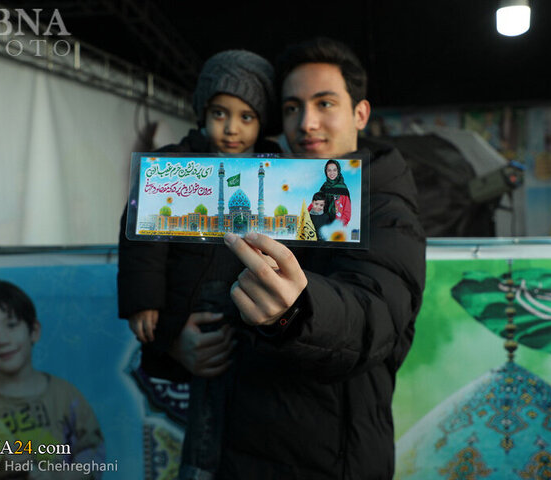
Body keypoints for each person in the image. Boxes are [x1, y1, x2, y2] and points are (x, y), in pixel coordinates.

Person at [212, 37, 426, 479]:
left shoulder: (385, 207)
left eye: (324, 103)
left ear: (359, 114)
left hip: (333, 460)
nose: (306, 123)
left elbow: (375, 319)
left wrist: (298, 312)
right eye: (292, 108)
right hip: (242, 450)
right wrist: (184, 341)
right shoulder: (265, 194)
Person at [117, 49, 279, 479]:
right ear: (202, 112)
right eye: (220, 113)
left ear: (262, 122)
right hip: (194, 321)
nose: (231, 127)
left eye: (247, 116)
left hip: (257, 328)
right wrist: (145, 303)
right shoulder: (173, 164)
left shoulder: (279, 171)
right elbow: (142, 241)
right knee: (204, 436)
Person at [0, 280, 105, 479]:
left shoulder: (65, 396)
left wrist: (57, 476)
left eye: (11, 325)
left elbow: (93, 455)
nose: (2, 340)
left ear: (34, 331)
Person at [318, 159, 351, 225]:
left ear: (338, 171)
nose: (332, 173)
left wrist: (341, 224)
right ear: (326, 171)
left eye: (334, 170)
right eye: (329, 170)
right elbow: (316, 202)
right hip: (323, 225)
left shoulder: (343, 188)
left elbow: (347, 210)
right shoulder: (324, 187)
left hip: (338, 226)